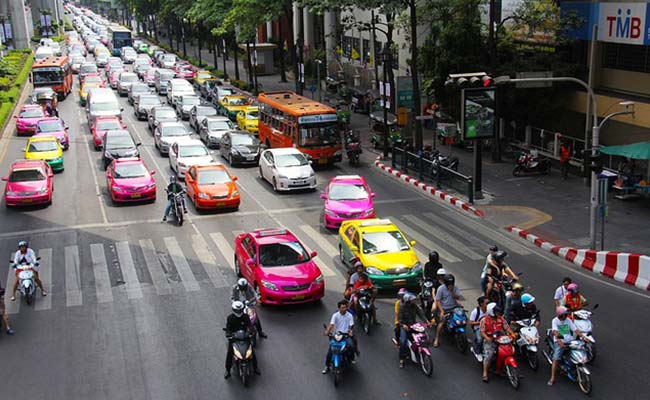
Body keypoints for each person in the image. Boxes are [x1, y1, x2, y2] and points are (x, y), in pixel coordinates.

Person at [548, 306, 586, 386]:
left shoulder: (568, 320)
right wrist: (560, 341)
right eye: (565, 314)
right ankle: (552, 377)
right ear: (560, 315)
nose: (566, 315)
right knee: (556, 358)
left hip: (569, 340)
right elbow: (555, 332)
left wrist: (583, 337)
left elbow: (575, 330)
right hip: (560, 341)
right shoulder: (555, 321)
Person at [224, 300, 260, 379]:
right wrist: (228, 334)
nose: (239, 312)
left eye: (240, 310)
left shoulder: (245, 316)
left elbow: (250, 326)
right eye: (237, 310)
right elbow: (228, 328)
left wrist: (251, 332)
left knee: (252, 353)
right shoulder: (230, 318)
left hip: (245, 337)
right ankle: (228, 370)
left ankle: (255, 368)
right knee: (230, 353)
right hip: (234, 338)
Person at [480, 303, 515, 383]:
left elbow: (507, 327)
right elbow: (482, 332)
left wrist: (511, 333)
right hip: (491, 339)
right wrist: (487, 338)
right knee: (489, 355)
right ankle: (485, 373)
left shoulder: (501, 319)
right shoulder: (484, 320)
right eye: (496, 311)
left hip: (502, 339)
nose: (498, 313)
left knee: (510, 350)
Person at [323, 300, 356, 374]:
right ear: (339, 308)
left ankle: (351, 358)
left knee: (351, 345)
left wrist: (350, 331)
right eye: (342, 307)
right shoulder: (335, 315)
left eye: (345, 307)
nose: (344, 309)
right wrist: (327, 331)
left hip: (345, 335)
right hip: (337, 335)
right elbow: (331, 324)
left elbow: (351, 325)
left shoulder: (349, 315)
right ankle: (327, 366)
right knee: (330, 351)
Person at [397, 293, 429, 368]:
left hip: (414, 325)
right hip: (405, 326)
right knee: (403, 341)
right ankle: (402, 359)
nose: (414, 300)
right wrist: (403, 325)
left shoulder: (414, 306)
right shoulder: (402, 307)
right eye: (412, 300)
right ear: (408, 301)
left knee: (422, 335)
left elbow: (421, 314)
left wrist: (426, 321)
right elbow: (399, 319)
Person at [433, 274, 462, 348]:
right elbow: (438, 300)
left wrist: (452, 292)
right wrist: (442, 311)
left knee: (461, 318)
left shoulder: (455, 288)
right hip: (445, 308)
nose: (451, 285)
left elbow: (458, 297)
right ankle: (437, 338)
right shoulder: (441, 289)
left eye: (452, 284)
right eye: (449, 284)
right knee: (442, 322)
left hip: (454, 307)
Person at [469, 296, 488, 361]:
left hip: (488, 327)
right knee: (480, 339)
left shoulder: (489, 310)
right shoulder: (475, 312)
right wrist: (480, 323)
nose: (488, 304)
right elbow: (471, 322)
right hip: (478, 328)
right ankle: (478, 352)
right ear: (482, 304)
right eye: (486, 303)